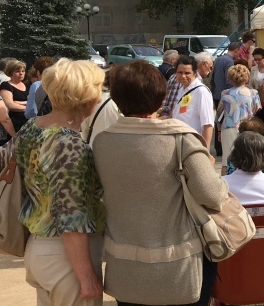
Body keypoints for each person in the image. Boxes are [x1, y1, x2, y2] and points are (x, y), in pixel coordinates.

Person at [93, 60, 228, 306]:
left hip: (125, 269)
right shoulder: (181, 139)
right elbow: (212, 195)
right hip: (179, 268)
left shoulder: (102, 142)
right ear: (160, 95)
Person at [16, 59, 106, 306]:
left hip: (39, 247)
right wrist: (86, 276)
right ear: (86, 99)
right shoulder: (68, 144)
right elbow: (71, 214)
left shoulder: (30, 129)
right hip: (66, 257)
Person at [171, 54, 215, 154]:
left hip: (194, 145)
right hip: (180, 143)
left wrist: (205, 151)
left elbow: (207, 124)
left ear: (195, 73)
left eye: (187, 73)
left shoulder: (201, 92)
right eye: (180, 72)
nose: (183, 76)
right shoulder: (182, 89)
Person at [217, 64, 261, 164]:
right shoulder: (253, 93)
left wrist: (219, 130)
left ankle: (226, 179)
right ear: (247, 77)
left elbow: (219, 114)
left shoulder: (225, 93)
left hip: (229, 127)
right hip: (248, 128)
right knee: (247, 158)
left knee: (227, 160)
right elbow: (257, 111)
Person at [211, 42, 241, 155]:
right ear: (236, 50)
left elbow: (213, 76)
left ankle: (218, 147)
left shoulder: (218, 59)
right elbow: (230, 80)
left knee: (219, 119)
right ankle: (224, 146)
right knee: (227, 120)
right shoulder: (229, 61)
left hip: (217, 94)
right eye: (239, 51)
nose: (239, 54)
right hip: (227, 96)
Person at [1, 59, 29, 132]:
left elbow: (35, 101)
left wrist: (19, 102)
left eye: (23, 71)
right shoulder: (6, 86)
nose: (21, 73)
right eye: (17, 71)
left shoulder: (27, 84)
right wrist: (29, 108)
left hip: (29, 122)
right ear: (10, 73)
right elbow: (10, 105)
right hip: (15, 124)